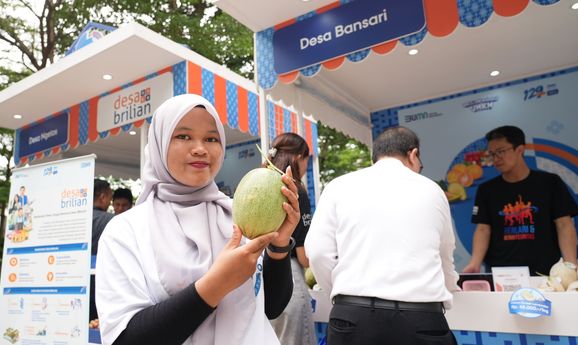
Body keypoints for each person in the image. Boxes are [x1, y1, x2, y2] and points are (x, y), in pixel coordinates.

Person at [96, 94, 300, 345]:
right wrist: (216, 285)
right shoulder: (125, 231)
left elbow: (271, 308)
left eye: (211, 138)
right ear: (159, 144)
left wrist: (278, 246)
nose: (201, 148)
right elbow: (124, 338)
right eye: (183, 136)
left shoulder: (239, 216)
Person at [305, 126, 460, 345]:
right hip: (421, 319)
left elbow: (319, 254)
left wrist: (345, 295)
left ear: (375, 156)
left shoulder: (338, 186)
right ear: (413, 154)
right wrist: (452, 287)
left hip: (352, 320)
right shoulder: (432, 190)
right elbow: (445, 254)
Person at [463, 125, 577, 275]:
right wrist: (475, 263)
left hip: (546, 271)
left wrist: (571, 265)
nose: (496, 159)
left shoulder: (550, 183)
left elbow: (564, 225)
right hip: (502, 273)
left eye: (501, 151)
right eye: (491, 154)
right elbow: (483, 229)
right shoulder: (487, 190)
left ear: (520, 150)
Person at [267, 133, 316, 345]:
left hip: (258, 280)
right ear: (297, 157)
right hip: (289, 278)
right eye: (307, 159)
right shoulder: (295, 191)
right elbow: (304, 258)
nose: (306, 165)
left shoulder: (260, 182)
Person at [91, 179, 114, 322]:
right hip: (102, 290)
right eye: (110, 198)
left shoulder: (75, 219)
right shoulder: (114, 221)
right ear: (103, 197)